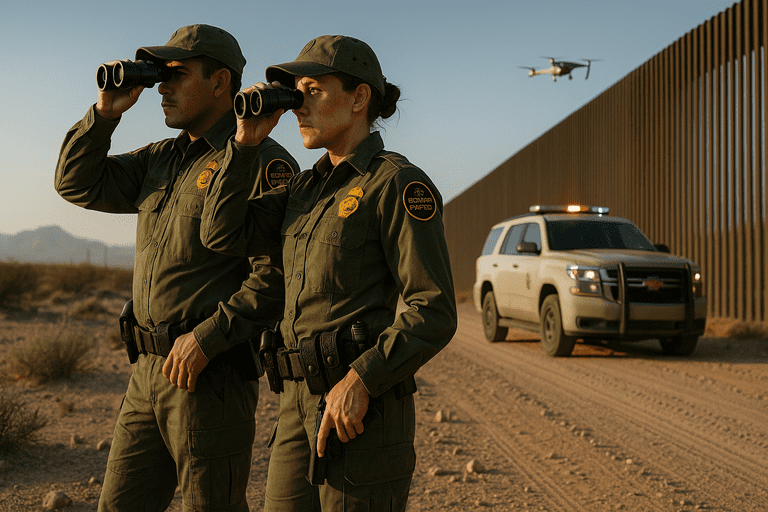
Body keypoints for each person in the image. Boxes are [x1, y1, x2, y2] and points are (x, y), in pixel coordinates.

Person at [200, 35, 457, 511]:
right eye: (295, 93)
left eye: (312, 90)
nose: (299, 106)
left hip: (362, 411)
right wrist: (244, 143)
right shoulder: (303, 189)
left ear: (360, 98)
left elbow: (434, 309)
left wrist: (362, 378)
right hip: (296, 403)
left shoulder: (396, 183)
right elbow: (220, 234)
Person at [54, 24, 300, 512]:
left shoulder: (265, 163)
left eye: (177, 74)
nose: (161, 86)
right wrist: (104, 113)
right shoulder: (161, 160)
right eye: (159, 75)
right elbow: (77, 183)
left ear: (221, 82)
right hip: (146, 372)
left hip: (209, 377)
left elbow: (277, 276)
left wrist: (207, 338)